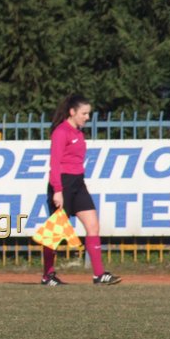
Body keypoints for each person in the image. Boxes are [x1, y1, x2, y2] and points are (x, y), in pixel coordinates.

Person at [42, 94, 121, 286]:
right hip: (63, 184)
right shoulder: (61, 132)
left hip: (78, 183)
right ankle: (47, 276)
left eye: (88, 113)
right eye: (84, 113)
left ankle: (99, 275)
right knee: (55, 233)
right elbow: (55, 163)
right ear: (72, 112)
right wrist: (58, 190)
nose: (87, 117)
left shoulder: (78, 132)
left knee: (93, 225)